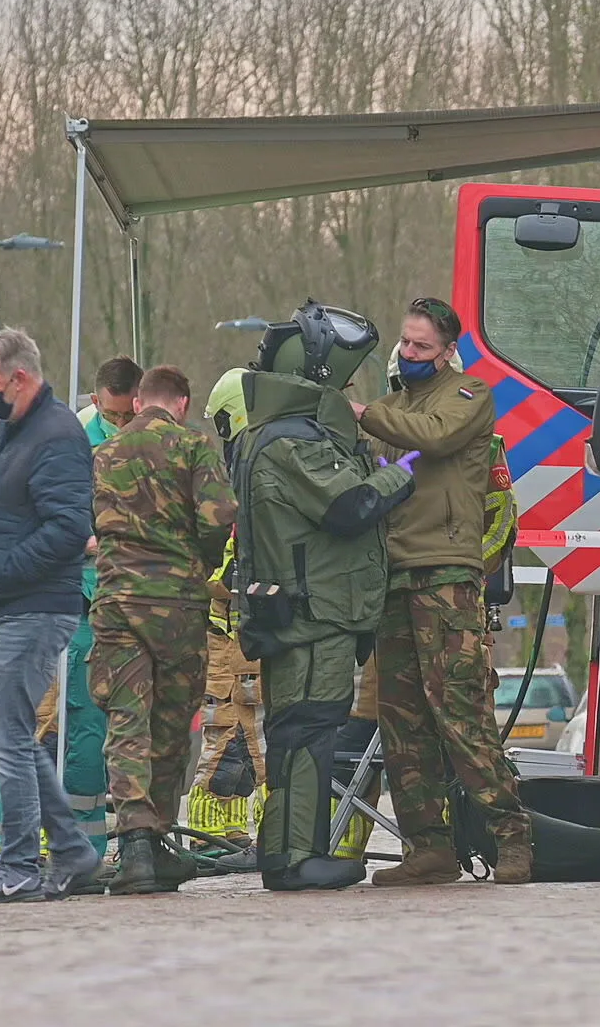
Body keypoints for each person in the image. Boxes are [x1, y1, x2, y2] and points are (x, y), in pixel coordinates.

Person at [233, 301, 416, 890]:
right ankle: (296, 859)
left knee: (299, 731)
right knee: (309, 730)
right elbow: (348, 507)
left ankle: (290, 853)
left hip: (304, 611)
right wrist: (398, 472)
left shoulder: (270, 435)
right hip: (315, 615)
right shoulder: (294, 443)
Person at [352, 296, 532, 886]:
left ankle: (512, 837)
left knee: (461, 712)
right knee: (402, 722)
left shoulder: (468, 396)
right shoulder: (390, 405)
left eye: (421, 346)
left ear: (447, 350)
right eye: (404, 343)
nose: (408, 354)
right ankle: (427, 847)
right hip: (395, 575)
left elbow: (432, 436)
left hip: (447, 576)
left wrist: (362, 414)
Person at [0, 328, 98, 903]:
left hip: (32, 608)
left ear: (19, 377)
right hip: (8, 606)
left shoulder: (56, 436)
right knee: (10, 737)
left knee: (7, 740)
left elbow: (68, 529)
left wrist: (0, 571)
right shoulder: (16, 432)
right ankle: (70, 849)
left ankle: (19, 865)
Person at [90, 365, 236, 895]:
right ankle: (158, 842)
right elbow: (220, 516)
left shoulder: (104, 454)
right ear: (182, 402)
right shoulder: (194, 446)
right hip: (177, 606)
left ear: (137, 404)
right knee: (172, 725)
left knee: (127, 721)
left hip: (118, 603)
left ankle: (134, 850)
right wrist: (195, 558)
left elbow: (87, 524)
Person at [185, 369, 268, 867]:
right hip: (229, 633)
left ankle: (239, 831)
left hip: (244, 630)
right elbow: (222, 562)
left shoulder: (250, 469)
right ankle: (213, 833)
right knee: (230, 737)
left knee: (250, 738)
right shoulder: (239, 473)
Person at [79, 355, 143, 444]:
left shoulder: (162, 439)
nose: (121, 425)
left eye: (130, 414)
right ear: (95, 401)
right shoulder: (80, 445)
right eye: (112, 414)